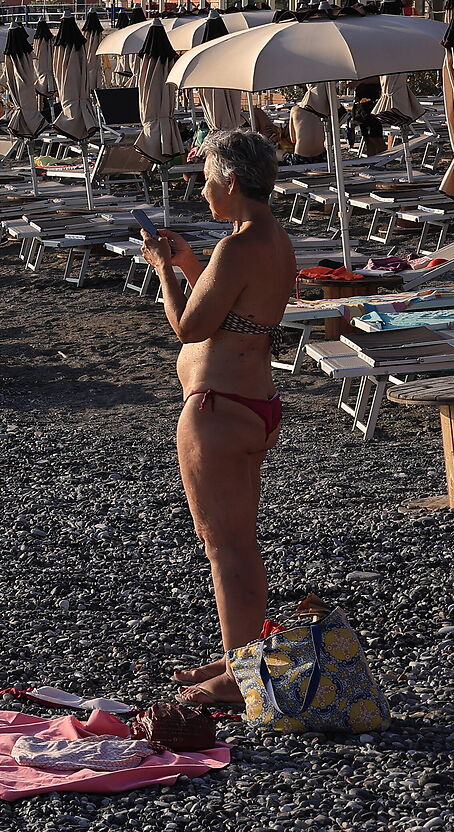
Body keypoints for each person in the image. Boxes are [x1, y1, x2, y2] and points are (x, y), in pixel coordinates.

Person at [140, 127, 292, 709]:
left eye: (206, 178)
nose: (202, 190)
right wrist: (191, 260)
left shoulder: (239, 245)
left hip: (217, 407)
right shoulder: (271, 239)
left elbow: (190, 328)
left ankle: (238, 677)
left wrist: (163, 269)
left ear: (230, 181)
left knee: (224, 545)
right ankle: (240, 654)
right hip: (249, 402)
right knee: (237, 541)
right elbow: (237, 309)